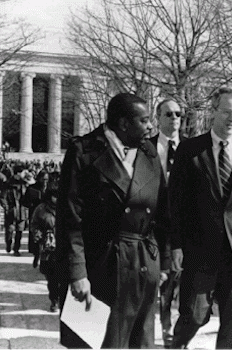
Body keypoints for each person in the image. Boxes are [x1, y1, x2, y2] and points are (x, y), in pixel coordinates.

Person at [56, 93, 168, 349]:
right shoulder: (83, 151)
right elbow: (70, 219)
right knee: (98, 343)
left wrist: (163, 263)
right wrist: (77, 273)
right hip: (99, 267)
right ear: (123, 124)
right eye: (144, 120)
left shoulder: (149, 152)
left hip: (142, 266)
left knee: (140, 343)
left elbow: (163, 214)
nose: (150, 126)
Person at [168, 86, 232, 349]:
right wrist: (176, 244)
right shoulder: (190, 151)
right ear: (213, 112)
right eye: (227, 113)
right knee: (195, 315)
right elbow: (176, 204)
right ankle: (177, 345)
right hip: (201, 250)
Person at [149, 98, 186, 348]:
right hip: (152, 228)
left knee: (175, 284)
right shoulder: (146, 148)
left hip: (181, 229)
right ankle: (160, 327)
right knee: (157, 283)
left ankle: (171, 328)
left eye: (178, 114)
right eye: (168, 114)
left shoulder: (191, 149)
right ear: (157, 118)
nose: (174, 119)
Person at [31, 179, 61, 312]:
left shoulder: (68, 206)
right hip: (48, 248)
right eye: (55, 196)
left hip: (64, 246)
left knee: (65, 276)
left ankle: (63, 299)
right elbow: (34, 224)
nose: (57, 199)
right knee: (52, 277)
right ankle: (54, 300)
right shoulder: (41, 209)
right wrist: (38, 235)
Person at [22, 170, 50, 266]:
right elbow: (24, 202)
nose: (45, 181)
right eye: (43, 179)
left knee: (47, 237)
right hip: (35, 215)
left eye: (47, 179)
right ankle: (36, 254)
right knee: (36, 236)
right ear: (39, 179)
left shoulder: (50, 189)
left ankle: (44, 258)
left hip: (47, 216)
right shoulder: (31, 188)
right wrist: (31, 204)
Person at [0, 164, 29, 256]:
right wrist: (6, 207)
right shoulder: (8, 184)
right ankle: (10, 245)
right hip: (12, 210)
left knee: (18, 231)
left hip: (22, 210)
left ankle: (16, 248)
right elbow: (2, 197)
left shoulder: (24, 184)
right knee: (11, 230)